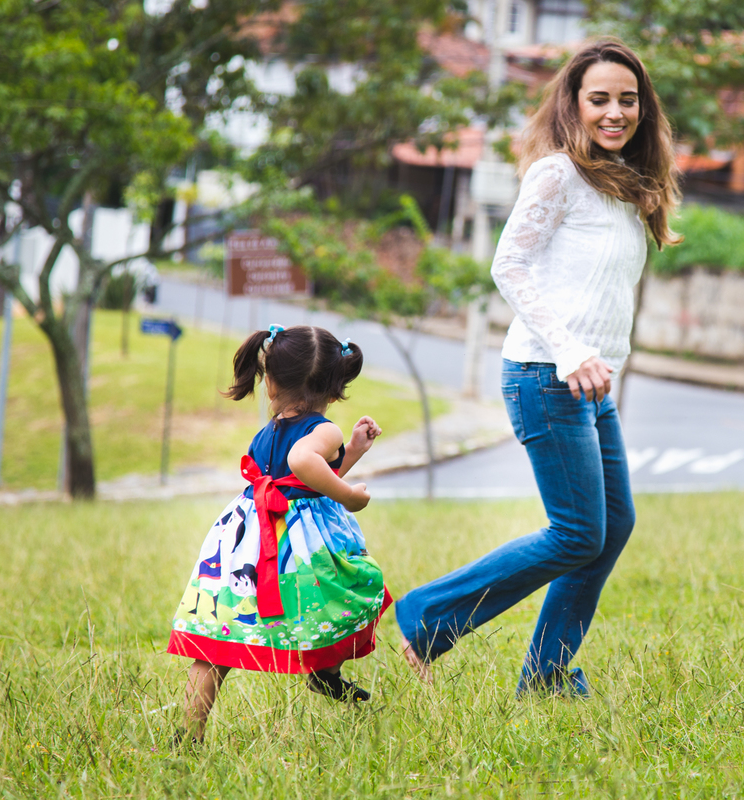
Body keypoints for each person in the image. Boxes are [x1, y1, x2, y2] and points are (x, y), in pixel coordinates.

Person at [393, 37, 682, 697]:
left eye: (627, 100)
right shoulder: (558, 173)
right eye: (599, 99)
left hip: (588, 382)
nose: (615, 112)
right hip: (546, 375)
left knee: (611, 529)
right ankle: (430, 615)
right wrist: (571, 348)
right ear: (573, 104)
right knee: (580, 531)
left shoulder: (626, 183)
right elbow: (509, 266)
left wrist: (594, 358)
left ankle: (545, 675)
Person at [167, 324, 388, 743]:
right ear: (335, 387)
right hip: (294, 543)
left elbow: (303, 477)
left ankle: (188, 735)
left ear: (269, 383)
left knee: (217, 641)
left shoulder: (265, 432)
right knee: (345, 591)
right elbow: (305, 462)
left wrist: (353, 453)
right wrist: (350, 497)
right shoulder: (324, 431)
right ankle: (326, 671)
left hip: (245, 542)